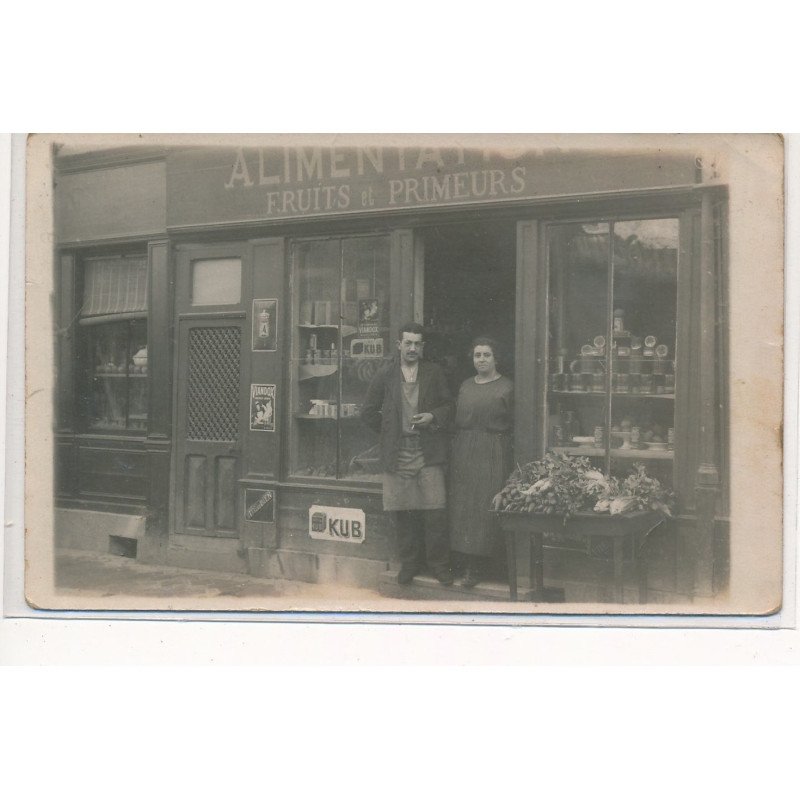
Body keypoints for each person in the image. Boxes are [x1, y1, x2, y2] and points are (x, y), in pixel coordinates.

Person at [362, 322, 454, 585]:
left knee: (435, 511)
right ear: (399, 345)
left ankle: (440, 566)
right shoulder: (385, 374)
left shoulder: (434, 373)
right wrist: (390, 430)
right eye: (408, 343)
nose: (412, 348)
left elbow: (449, 406)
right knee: (404, 512)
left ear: (422, 347)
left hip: (428, 451)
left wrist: (433, 416)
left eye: (417, 344)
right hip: (399, 450)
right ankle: (410, 564)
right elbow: (367, 412)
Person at [449, 337, 514, 588]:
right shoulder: (465, 385)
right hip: (464, 450)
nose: (482, 359)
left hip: (493, 449)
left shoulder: (507, 387)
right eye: (477, 355)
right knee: (464, 507)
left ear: (496, 358)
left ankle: (480, 567)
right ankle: (465, 563)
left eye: (487, 354)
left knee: (485, 506)